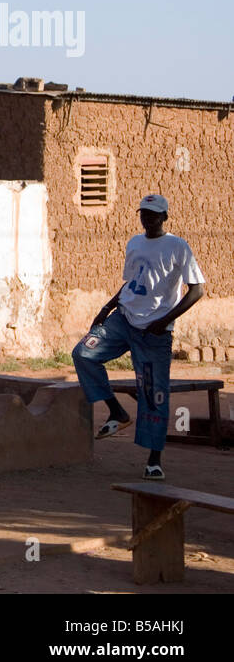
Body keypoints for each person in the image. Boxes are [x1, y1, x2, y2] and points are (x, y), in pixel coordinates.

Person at [71, 194, 204, 480]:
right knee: (83, 353)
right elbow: (131, 283)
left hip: (155, 333)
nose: (148, 218)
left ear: (165, 217)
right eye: (144, 213)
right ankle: (116, 411)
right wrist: (106, 308)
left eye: (154, 214)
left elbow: (196, 290)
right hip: (124, 319)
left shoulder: (178, 246)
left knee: (153, 394)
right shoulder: (134, 243)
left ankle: (154, 460)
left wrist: (165, 321)